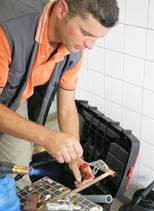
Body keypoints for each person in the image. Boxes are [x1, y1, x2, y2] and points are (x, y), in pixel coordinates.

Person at [0, 0, 119, 185]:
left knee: (18, 173)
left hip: (14, 96)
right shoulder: (7, 29)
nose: (90, 45)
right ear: (62, 10)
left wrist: (75, 155)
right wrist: (46, 136)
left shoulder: (73, 50)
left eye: (96, 38)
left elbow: (67, 106)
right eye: (86, 33)